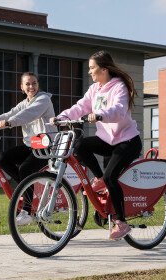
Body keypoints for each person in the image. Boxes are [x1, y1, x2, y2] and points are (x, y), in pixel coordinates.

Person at [50, 51, 142, 240]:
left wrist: (101, 115)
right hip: (107, 140)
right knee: (80, 145)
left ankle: (122, 223)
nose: (90, 72)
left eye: (92, 68)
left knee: (112, 177)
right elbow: (80, 107)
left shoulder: (119, 87)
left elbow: (119, 109)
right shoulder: (95, 89)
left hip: (127, 141)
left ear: (104, 69)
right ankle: (98, 177)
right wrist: (62, 118)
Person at [0, 72, 56, 226]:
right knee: (2, 158)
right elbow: (8, 114)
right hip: (31, 146)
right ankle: (27, 189)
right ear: (22, 87)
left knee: (25, 169)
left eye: (34, 83)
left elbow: (29, 115)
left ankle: (27, 211)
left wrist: (10, 122)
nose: (31, 86)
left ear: (38, 85)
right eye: (28, 84)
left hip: (46, 146)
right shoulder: (24, 103)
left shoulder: (44, 99)